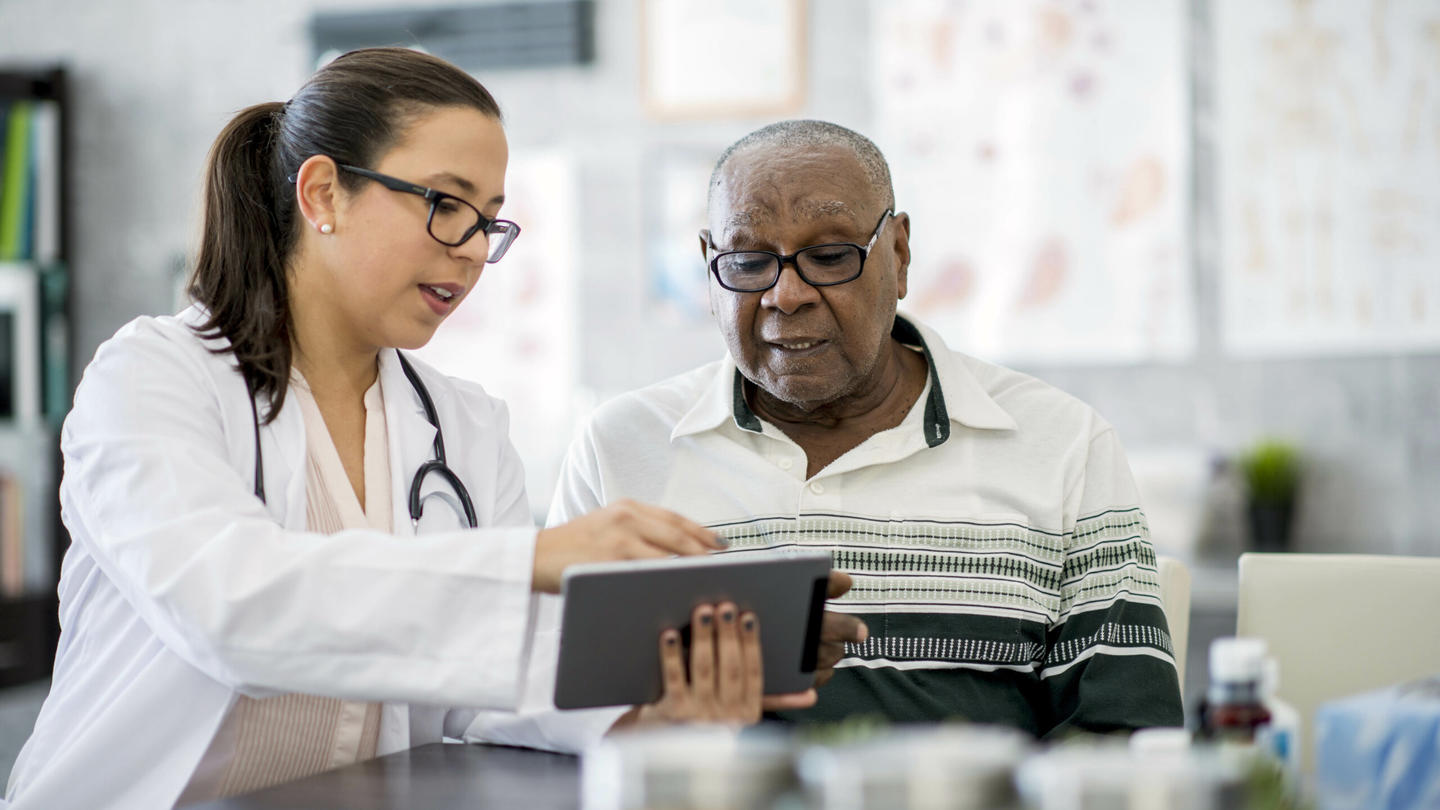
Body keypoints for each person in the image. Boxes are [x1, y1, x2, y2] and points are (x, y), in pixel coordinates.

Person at [3, 49, 809, 810]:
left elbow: (486, 686)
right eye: (444, 204)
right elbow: (229, 609)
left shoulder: (463, 427)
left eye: (488, 220)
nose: (468, 252)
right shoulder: (152, 377)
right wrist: (529, 560)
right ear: (322, 195)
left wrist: (654, 702)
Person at [543, 120, 1184, 738]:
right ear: (709, 267)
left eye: (828, 256)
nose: (785, 294)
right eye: (747, 261)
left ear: (899, 255)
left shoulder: (1061, 443)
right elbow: (544, 709)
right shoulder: (620, 448)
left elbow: (1122, 733)